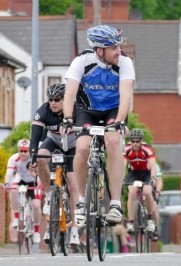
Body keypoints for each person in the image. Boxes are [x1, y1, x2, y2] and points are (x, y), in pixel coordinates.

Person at [62, 25, 135, 227]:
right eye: (113, 47)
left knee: (112, 142)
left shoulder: (125, 62)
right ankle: (81, 203)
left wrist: (120, 121)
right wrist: (67, 118)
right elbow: (69, 94)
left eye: (118, 46)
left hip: (114, 110)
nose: (118, 51)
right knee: (83, 149)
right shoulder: (81, 62)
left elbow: (126, 95)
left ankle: (115, 204)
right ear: (99, 50)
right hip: (87, 110)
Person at [29, 83, 80, 246]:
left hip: (72, 146)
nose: (53, 102)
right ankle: (50, 194)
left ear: (65, 99)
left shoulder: (75, 110)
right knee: (41, 156)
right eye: (50, 99)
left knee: (72, 185)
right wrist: (32, 158)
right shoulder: (43, 111)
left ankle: (75, 230)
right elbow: (35, 138)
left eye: (57, 99)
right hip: (53, 142)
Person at [4, 139, 42, 244]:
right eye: (21, 151)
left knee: (36, 205)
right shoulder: (13, 159)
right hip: (21, 179)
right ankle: (16, 217)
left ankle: (36, 231)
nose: (23, 153)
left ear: (29, 151)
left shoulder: (34, 158)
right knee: (13, 190)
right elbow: (9, 174)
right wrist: (7, 183)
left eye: (25, 151)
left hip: (34, 180)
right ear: (18, 150)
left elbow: (39, 173)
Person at [124, 128, 157, 234]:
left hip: (146, 173)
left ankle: (150, 219)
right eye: (133, 141)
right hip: (133, 173)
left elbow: (152, 165)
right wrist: (120, 178)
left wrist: (153, 177)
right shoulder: (127, 149)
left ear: (141, 141)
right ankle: (130, 222)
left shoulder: (147, 149)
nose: (135, 144)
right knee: (132, 192)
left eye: (137, 141)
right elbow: (123, 165)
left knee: (147, 192)